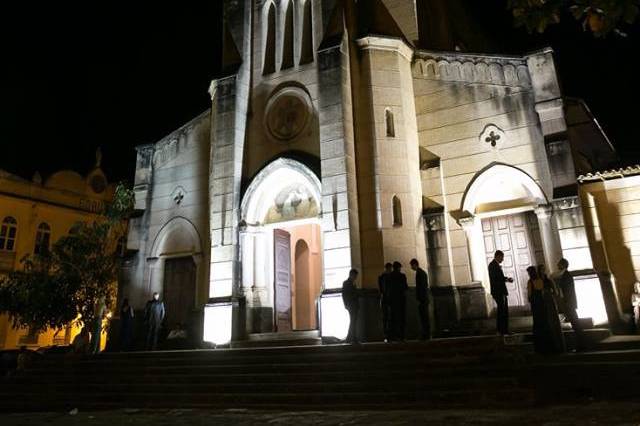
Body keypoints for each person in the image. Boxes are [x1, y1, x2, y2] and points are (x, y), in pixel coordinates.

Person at [553, 258, 585, 351]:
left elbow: (568, 291)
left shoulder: (566, 276)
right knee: (575, 323)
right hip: (568, 303)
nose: (557, 266)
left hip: (569, 303)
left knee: (576, 324)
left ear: (563, 265)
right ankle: (581, 345)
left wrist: (566, 302)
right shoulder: (564, 275)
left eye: (559, 264)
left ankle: (581, 345)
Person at [538, 265, 566, 354]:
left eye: (543, 270)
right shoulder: (538, 281)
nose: (542, 272)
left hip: (550, 303)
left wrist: (548, 293)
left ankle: (559, 346)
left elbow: (555, 291)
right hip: (543, 304)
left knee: (554, 323)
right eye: (540, 270)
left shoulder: (548, 280)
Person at [488, 250, 513, 336]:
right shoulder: (492, 265)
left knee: (504, 311)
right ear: (497, 256)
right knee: (501, 311)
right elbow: (496, 278)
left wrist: (507, 279)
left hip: (501, 291)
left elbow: (500, 277)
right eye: (502, 257)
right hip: (498, 291)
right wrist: (505, 279)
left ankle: (504, 330)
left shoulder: (495, 265)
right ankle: (500, 330)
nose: (502, 259)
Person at [410, 258, 431, 340]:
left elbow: (421, 287)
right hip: (424, 298)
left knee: (424, 317)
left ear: (415, 264)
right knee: (424, 317)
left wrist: (419, 298)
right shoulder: (422, 273)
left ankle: (426, 334)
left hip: (423, 299)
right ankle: (426, 334)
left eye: (411, 265)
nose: (411, 267)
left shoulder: (420, 273)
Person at [388, 261, 408, 342]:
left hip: (393, 301)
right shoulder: (402, 276)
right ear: (399, 268)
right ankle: (401, 336)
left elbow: (387, 289)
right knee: (401, 319)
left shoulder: (389, 276)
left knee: (392, 319)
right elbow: (405, 287)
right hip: (401, 300)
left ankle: (392, 337)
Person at [342, 269, 360, 344]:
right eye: (355, 276)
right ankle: (352, 338)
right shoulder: (347, 283)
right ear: (351, 274)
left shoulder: (350, 283)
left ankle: (350, 338)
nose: (356, 277)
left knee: (353, 321)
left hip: (352, 305)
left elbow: (344, 295)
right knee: (353, 322)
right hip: (352, 304)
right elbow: (345, 295)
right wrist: (346, 304)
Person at [378, 263, 393, 342]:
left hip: (385, 300)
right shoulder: (388, 277)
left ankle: (387, 335)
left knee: (386, 318)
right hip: (387, 300)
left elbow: (381, 290)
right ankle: (388, 334)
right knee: (387, 318)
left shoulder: (382, 277)